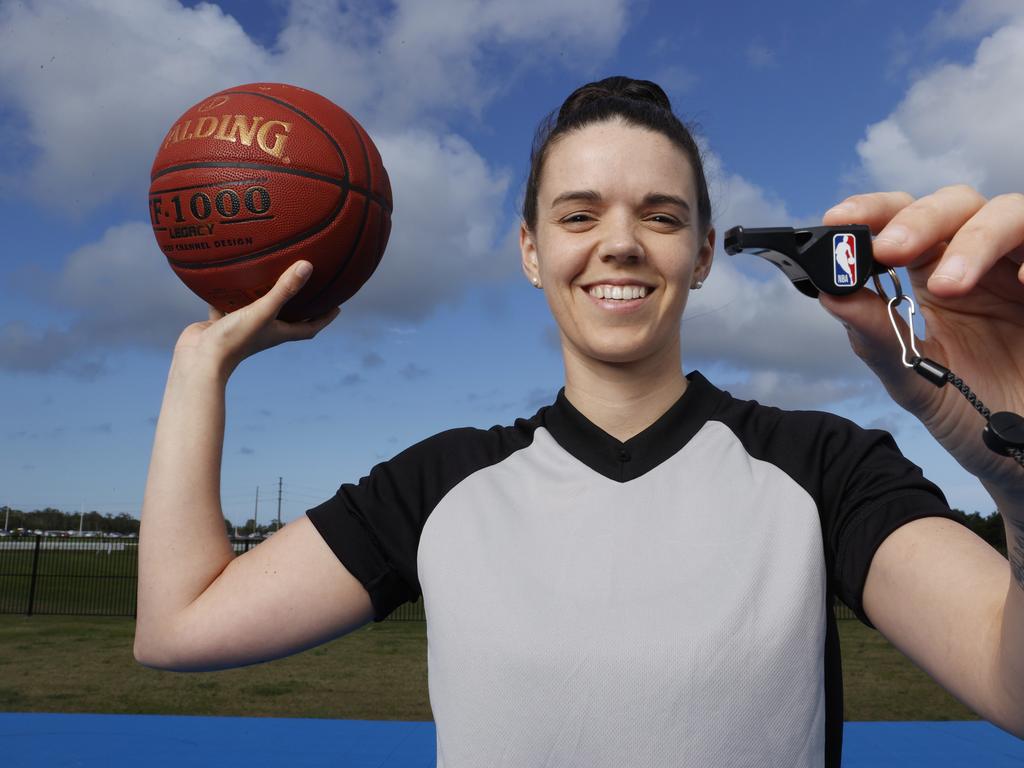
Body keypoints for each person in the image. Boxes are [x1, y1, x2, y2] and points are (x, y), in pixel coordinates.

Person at [134, 77, 1024, 766]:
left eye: (663, 216)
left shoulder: (822, 466)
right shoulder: (440, 486)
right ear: (531, 251)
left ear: (705, 253)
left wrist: (1015, 457)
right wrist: (199, 364)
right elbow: (181, 626)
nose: (622, 242)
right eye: (579, 214)